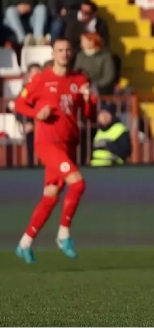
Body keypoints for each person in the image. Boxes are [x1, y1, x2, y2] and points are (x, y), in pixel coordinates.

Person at [13, 38, 95, 264]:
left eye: (68, 49)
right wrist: (36, 113)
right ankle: (63, 234)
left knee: (50, 196)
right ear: (53, 53)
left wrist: (90, 99)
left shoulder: (79, 80)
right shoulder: (42, 78)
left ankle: (24, 243)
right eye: (60, 50)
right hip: (47, 143)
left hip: (67, 144)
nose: (64, 53)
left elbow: (89, 115)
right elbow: (19, 104)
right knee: (77, 183)